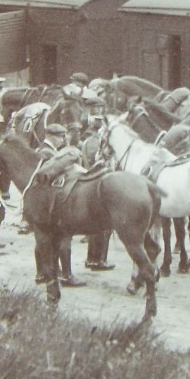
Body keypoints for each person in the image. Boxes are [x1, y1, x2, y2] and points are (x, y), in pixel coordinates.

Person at [36, 122, 86, 287]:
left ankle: (45, 272)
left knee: (43, 238)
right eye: (60, 137)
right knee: (57, 238)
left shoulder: (51, 151)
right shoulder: (46, 152)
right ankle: (62, 274)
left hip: (46, 202)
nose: (62, 140)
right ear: (51, 136)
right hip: (48, 203)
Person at [80, 115, 115, 271]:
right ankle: (100, 259)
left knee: (94, 225)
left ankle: (91, 258)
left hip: (90, 184)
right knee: (105, 225)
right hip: (103, 186)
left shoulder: (87, 142)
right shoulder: (103, 146)